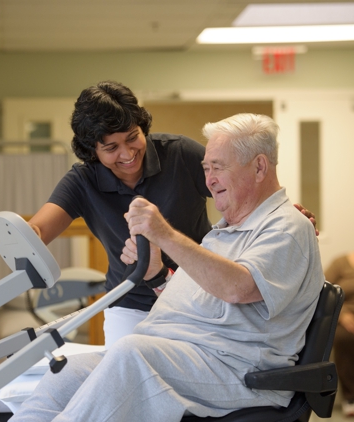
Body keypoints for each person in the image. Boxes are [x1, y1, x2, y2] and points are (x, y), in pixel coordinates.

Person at [10, 113, 324, 422]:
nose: (209, 179)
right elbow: (201, 299)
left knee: (132, 355)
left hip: (236, 370)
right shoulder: (225, 232)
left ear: (259, 167)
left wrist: (165, 234)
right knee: (68, 372)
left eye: (218, 167)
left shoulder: (286, 227)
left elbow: (238, 287)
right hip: (186, 354)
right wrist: (157, 272)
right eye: (206, 168)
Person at [27, 81, 318, 348]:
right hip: (131, 303)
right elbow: (39, 230)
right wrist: (23, 239)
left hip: (199, 296)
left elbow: (236, 182)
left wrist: (279, 214)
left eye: (133, 138)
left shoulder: (180, 154)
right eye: (112, 148)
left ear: (142, 128)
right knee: (123, 367)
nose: (127, 154)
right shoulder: (82, 181)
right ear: (92, 151)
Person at [324, 252, 354, 417]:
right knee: (343, 338)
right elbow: (324, 291)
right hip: (345, 317)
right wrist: (342, 315)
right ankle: (351, 397)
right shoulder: (340, 263)